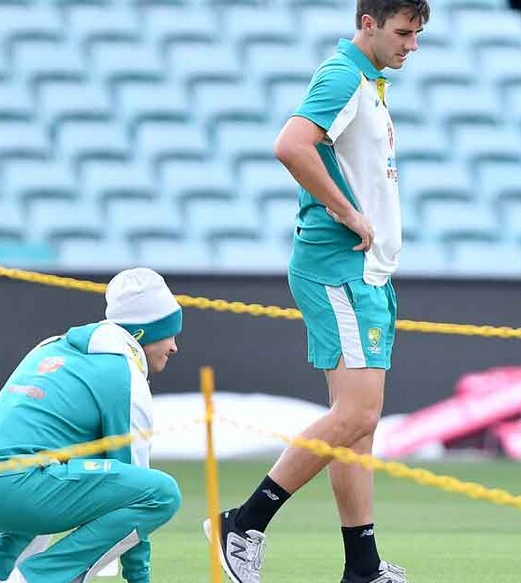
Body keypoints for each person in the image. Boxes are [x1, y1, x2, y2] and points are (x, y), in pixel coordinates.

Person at [203, 2, 429, 583]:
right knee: (357, 412)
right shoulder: (343, 75)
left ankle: (363, 566)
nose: (412, 45)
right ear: (370, 22)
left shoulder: (369, 82)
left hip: (366, 272)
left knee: (358, 425)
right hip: (338, 268)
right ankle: (243, 523)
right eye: (403, 33)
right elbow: (291, 144)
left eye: (418, 34)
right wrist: (346, 211)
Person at [0, 267, 184, 583]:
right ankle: (38, 578)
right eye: (168, 333)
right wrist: (139, 578)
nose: (174, 347)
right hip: (15, 486)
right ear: (142, 334)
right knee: (162, 493)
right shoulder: (124, 374)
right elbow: (138, 486)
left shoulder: (49, 346)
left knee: (60, 472)